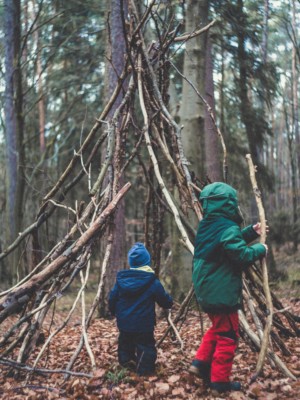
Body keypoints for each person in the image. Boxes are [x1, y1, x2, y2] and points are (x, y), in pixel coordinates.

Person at [189, 182, 268, 394]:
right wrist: (261, 249)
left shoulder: (208, 226)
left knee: (218, 328)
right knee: (228, 336)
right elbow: (240, 255)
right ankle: (219, 382)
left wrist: (251, 232)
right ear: (229, 204)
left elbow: (228, 243)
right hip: (220, 293)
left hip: (206, 291)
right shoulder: (227, 228)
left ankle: (200, 363)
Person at [109, 242, 173, 376]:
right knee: (146, 347)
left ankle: (126, 367)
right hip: (144, 324)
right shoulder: (152, 281)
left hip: (125, 323)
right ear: (147, 262)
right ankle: (145, 372)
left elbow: (112, 298)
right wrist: (169, 303)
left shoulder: (121, 281)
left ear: (131, 263)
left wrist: (113, 311)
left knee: (125, 345)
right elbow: (164, 300)